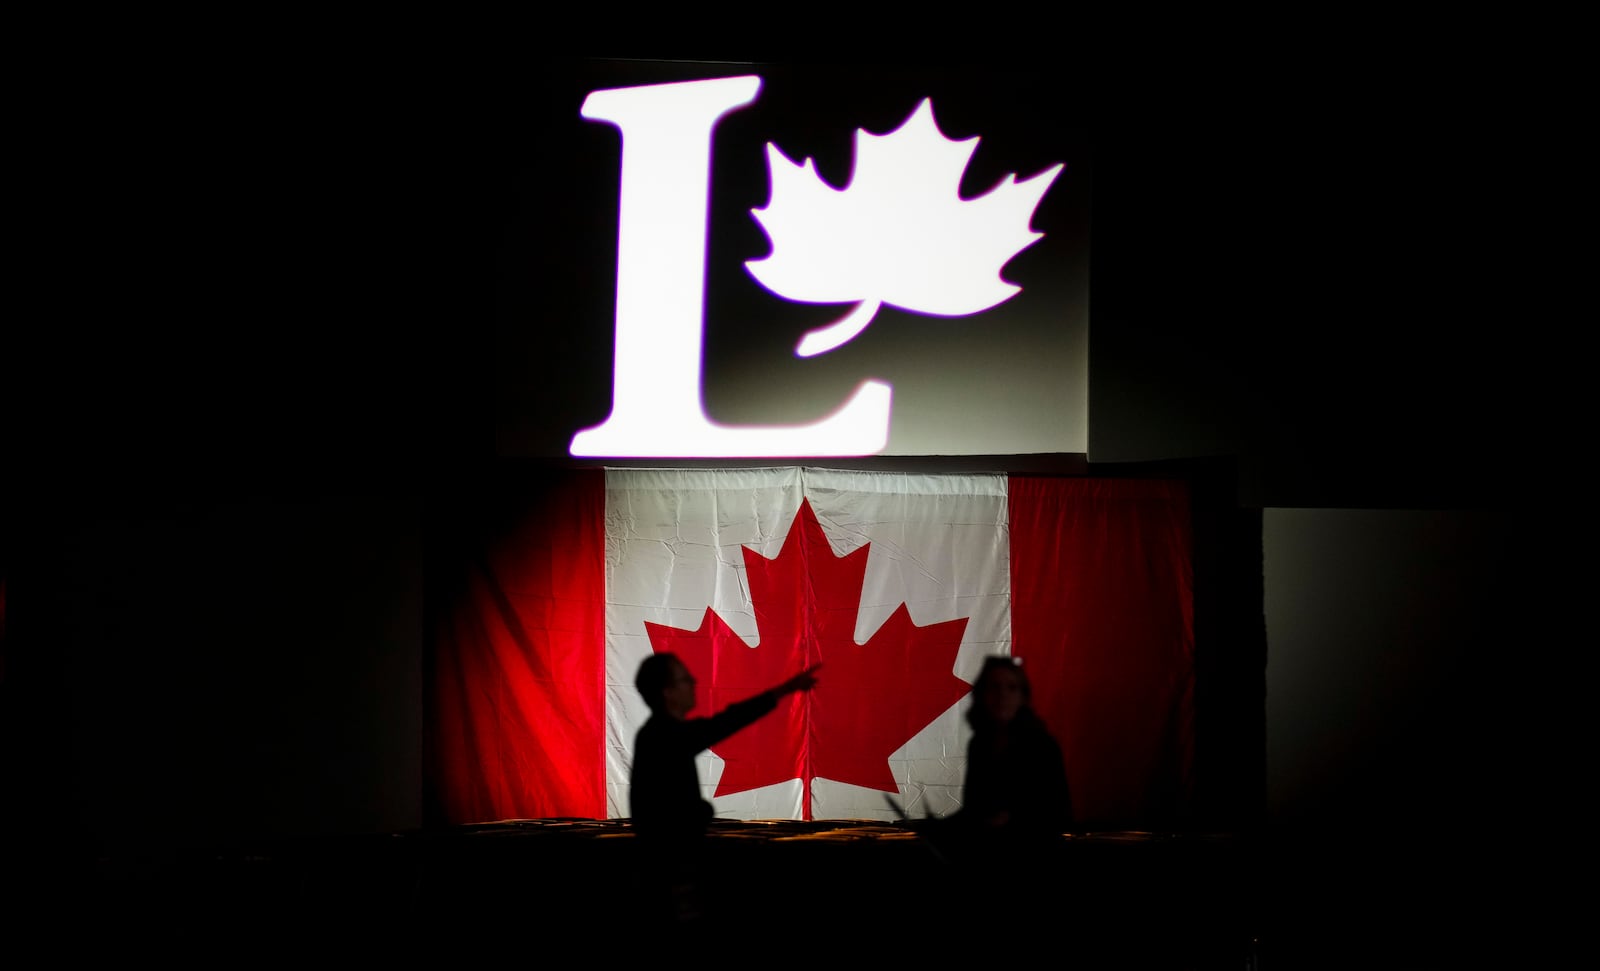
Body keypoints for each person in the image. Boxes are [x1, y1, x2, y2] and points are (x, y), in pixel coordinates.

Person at [629, 651, 820, 928]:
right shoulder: (663, 736)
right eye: (685, 679)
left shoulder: (657, 735)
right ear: (668, 692)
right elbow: (725, 722)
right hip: (670, 872)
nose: (693, 683)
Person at [932, 654, 1073, 863]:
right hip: (988, 855)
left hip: (1033, 856)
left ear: (1022, 697)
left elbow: (1059, 813)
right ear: (982, 695)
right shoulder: (979, 745)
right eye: (994, 687)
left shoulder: (1041, 746)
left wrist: (1010, 820)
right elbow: (974, 808)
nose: (1002, 695)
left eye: (1011, 688)